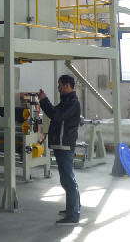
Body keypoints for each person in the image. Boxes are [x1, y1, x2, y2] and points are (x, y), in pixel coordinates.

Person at [39, 75, 81, 225]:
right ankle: (73, 208)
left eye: (60, 85)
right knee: (66, 179)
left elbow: (56, 116)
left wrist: (44, 100)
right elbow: (54, 113)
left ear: (68, 85)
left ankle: (73, 214)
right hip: (60, 144)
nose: (58, 88)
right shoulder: (66, 101)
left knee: (68, 179)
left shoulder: (73, 103)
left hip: (65, 145)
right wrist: (44, 101)